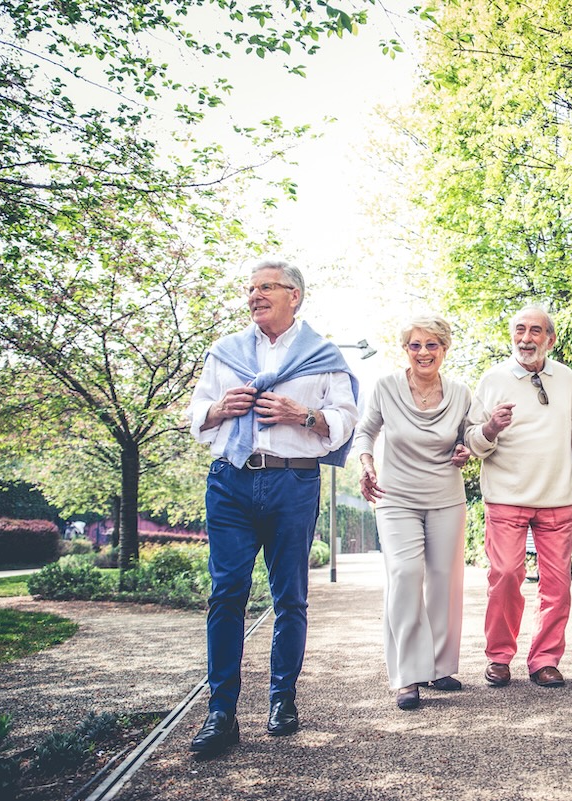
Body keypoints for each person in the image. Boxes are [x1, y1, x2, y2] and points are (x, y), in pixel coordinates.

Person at [186, 258, 359, 758]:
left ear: (294, 296)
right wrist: (222, 409)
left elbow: (346, 418)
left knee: (291, 597)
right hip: (230, 481)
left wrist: (301, 414)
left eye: (266, 287)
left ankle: (283, 699)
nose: (255, 296)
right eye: (251, 289)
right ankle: (221, 712)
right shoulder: (226, 353)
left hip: (293, 481)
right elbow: (197, 411)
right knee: (226, 595)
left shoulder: (323, 356)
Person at [355, 314, 472, 712]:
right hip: (395, 496)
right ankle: (407, 675)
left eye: (432, 345)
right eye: (415, 345)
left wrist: (466, 448)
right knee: (405, 575)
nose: (423, 352)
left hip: (445, 496)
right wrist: (367, 464)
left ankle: (439, 667)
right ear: (405, 349)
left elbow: (469, 435)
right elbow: (365, 431)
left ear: (444, 348)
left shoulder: (459, 392)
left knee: (444, 581)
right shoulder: (386, 387)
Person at [464, 306, 572, 688]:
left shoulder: (564, 377)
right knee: (507, 576)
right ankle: (499, 656)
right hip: (506, 495)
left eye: (535, 331)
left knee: (558, 584)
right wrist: (491, 428)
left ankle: (545, 659)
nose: (526, 338)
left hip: (557, 496)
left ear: (551, 339)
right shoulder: (493, 378)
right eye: (519, 330)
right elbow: (471, 441)